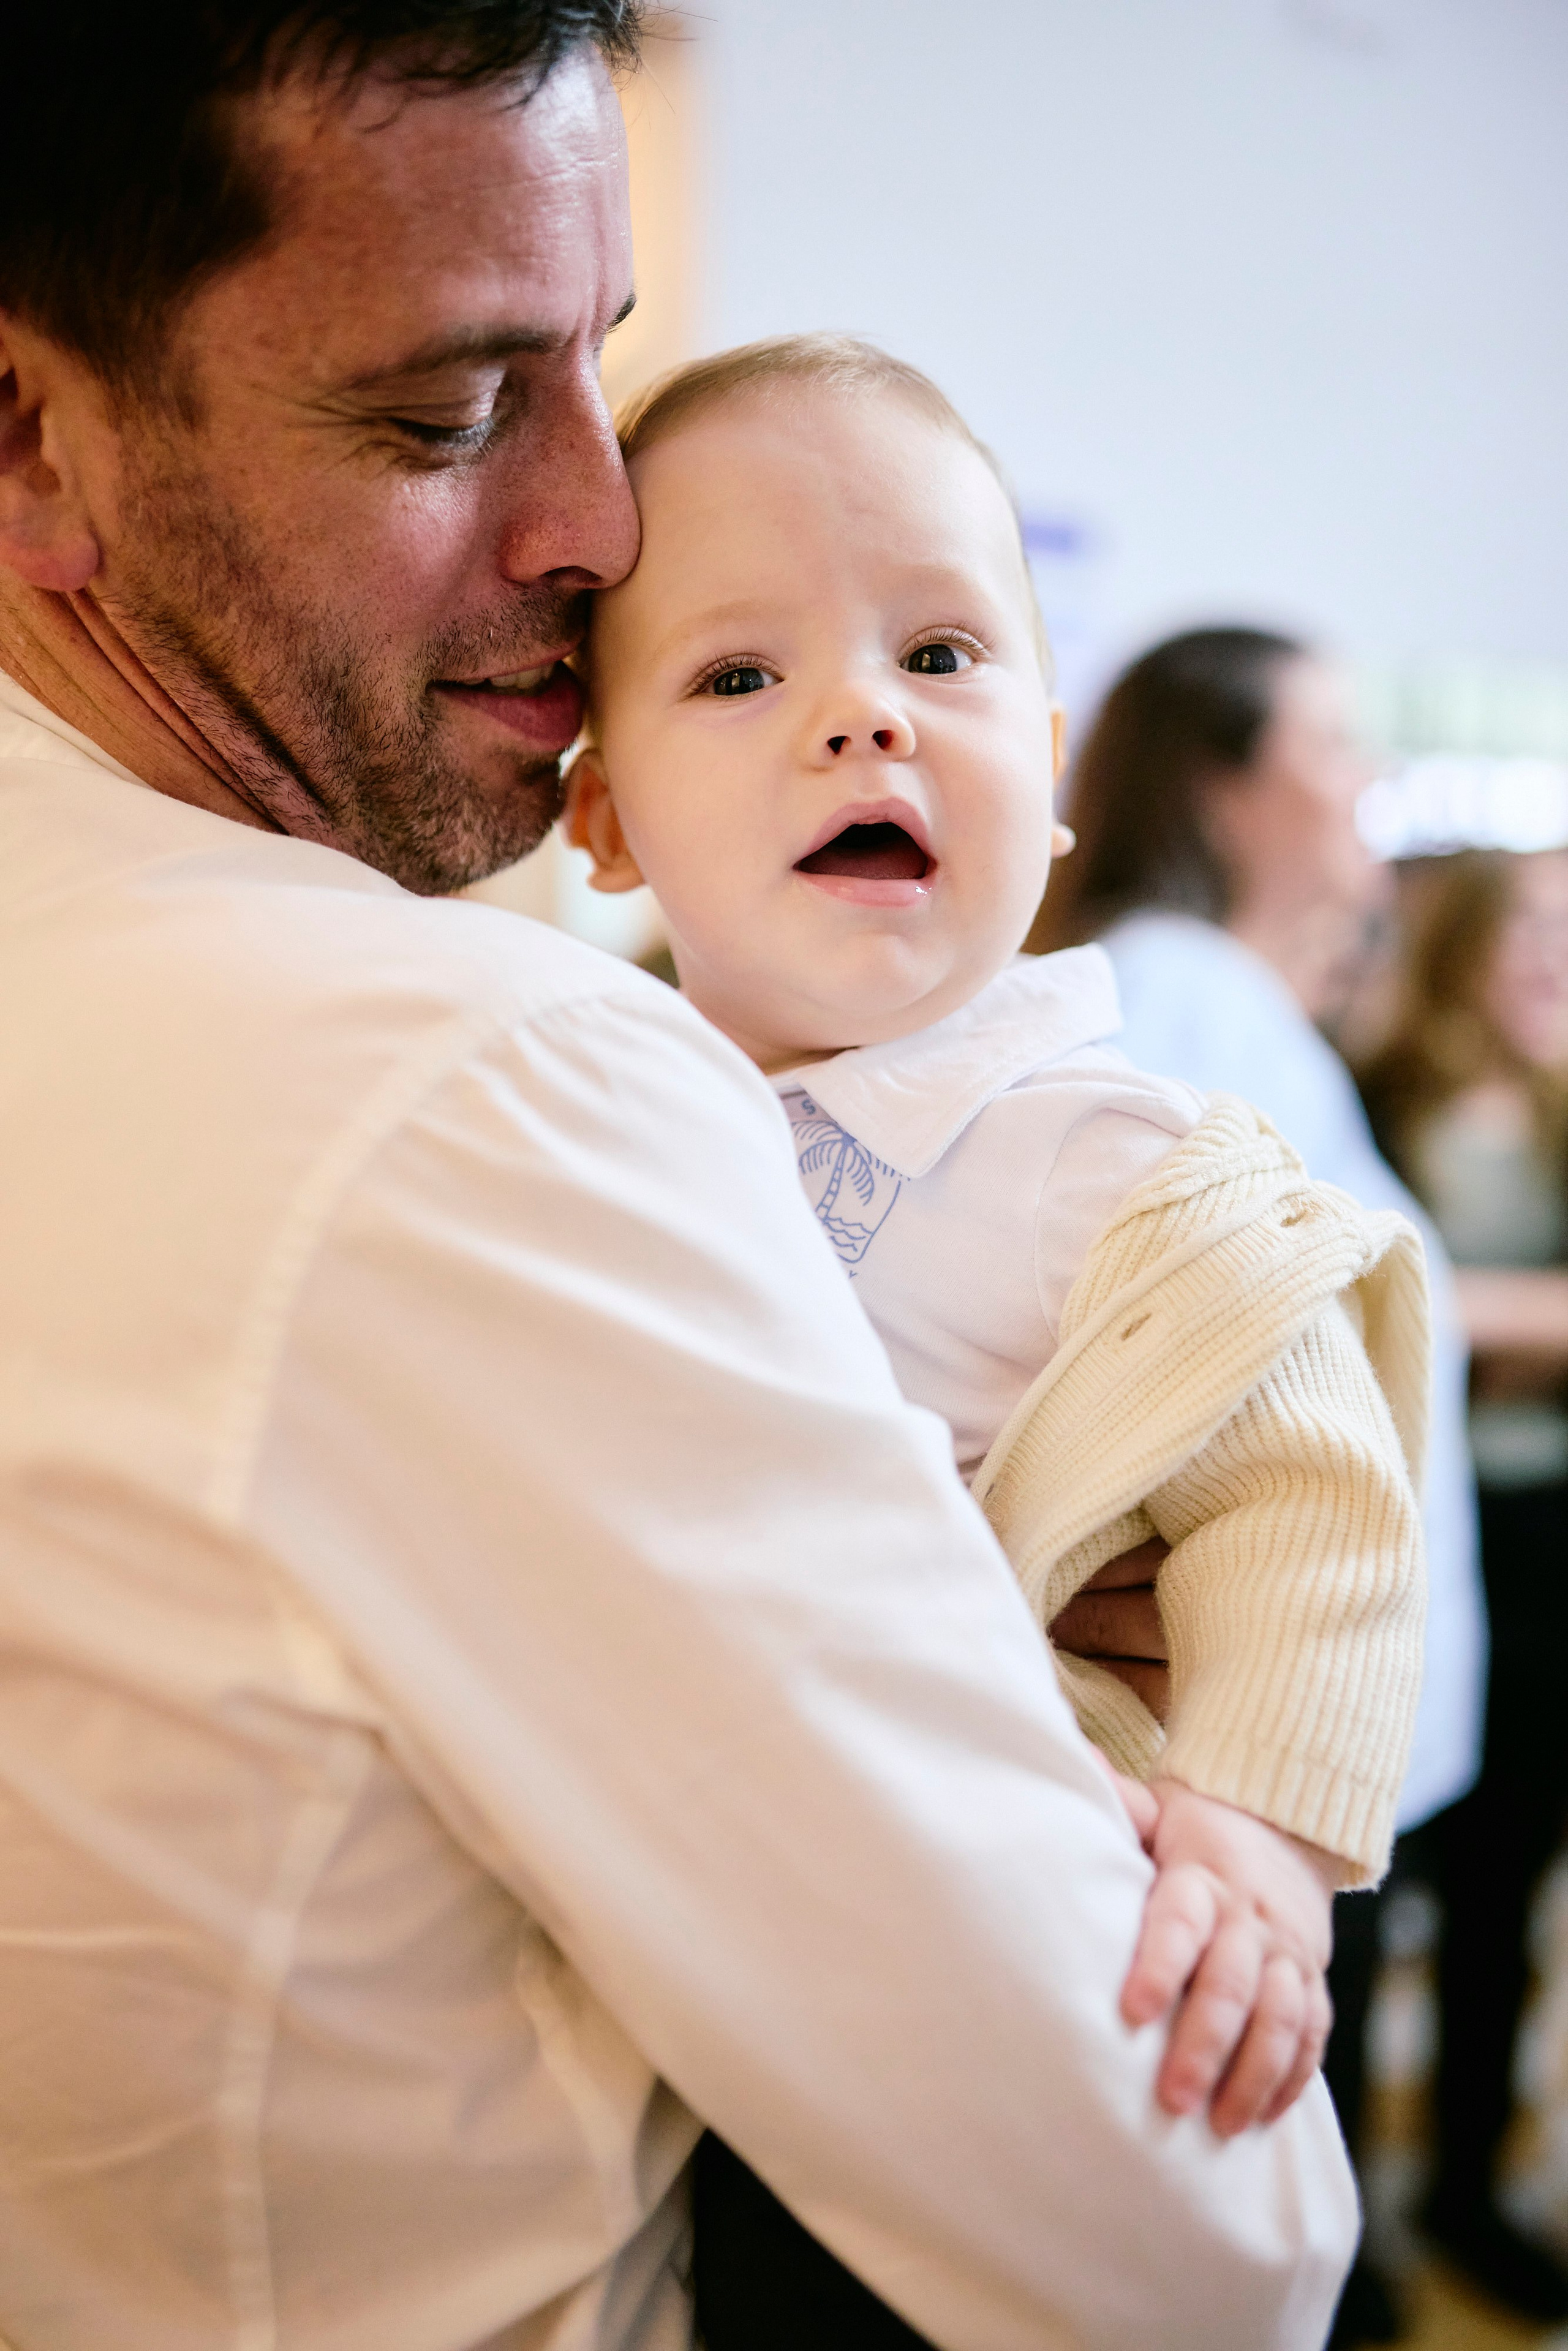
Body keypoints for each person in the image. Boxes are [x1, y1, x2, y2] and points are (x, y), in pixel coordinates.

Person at [0, 12, 1358, 2351]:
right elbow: (1200, 2239)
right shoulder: (480, 1093)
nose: (600, 522)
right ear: (33, 431)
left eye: (593, 366)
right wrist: (1020, 1666)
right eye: (445, 411)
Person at [564, 336, 1430, 2348]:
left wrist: (1256, 1839)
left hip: (1011, 1909)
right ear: (604, 811)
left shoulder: (1089, 1141)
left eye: (941, 655)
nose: (864, 714)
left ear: (1047, 776)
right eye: (742, 674)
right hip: (704, 1914)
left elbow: (1315, 1500)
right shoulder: (612, 1115)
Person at [1032, 627, 1489, 2346]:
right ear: (1223, 778)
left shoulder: (1244, 998)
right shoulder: (1181, 995)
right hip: (1247, 1773)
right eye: (1336, 737)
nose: (1370, 774)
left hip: (1302, 1752)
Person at [1359, 848, 1568, 2322]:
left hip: (1555, 1531)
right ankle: (1349, 2206)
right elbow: (1381, 1291)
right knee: (1395, 1863)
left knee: (1511, 1878)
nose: (1550, 957)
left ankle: (1462, 2187)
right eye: (1533, 930)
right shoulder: (1378, 1091)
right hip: (1436, 1526)